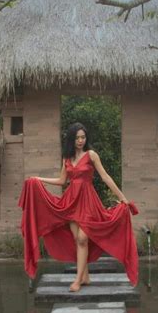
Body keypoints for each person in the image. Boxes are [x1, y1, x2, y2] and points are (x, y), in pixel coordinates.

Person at [18, 122, 139, 291]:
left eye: (83, 137)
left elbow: (105, 177)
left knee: (83, 239)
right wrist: (38, 179)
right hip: (71, 202)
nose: (81, 140)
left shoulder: (91, 155)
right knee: (77, 240)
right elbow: (62, 181)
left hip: (88, 201)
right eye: (77, 138)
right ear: (71, 139)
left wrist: (123, 198)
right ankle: (86, 276)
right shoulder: (67, 158)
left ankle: (77, 280)